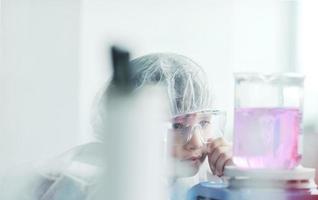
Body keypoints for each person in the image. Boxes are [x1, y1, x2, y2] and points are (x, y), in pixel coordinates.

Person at [0, 53, 233, 200]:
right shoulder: (92, 182)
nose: (195, 142)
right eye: (177, 126)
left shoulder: (184, 172)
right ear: (138, 124)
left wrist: (236, 177)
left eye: (203, 123)